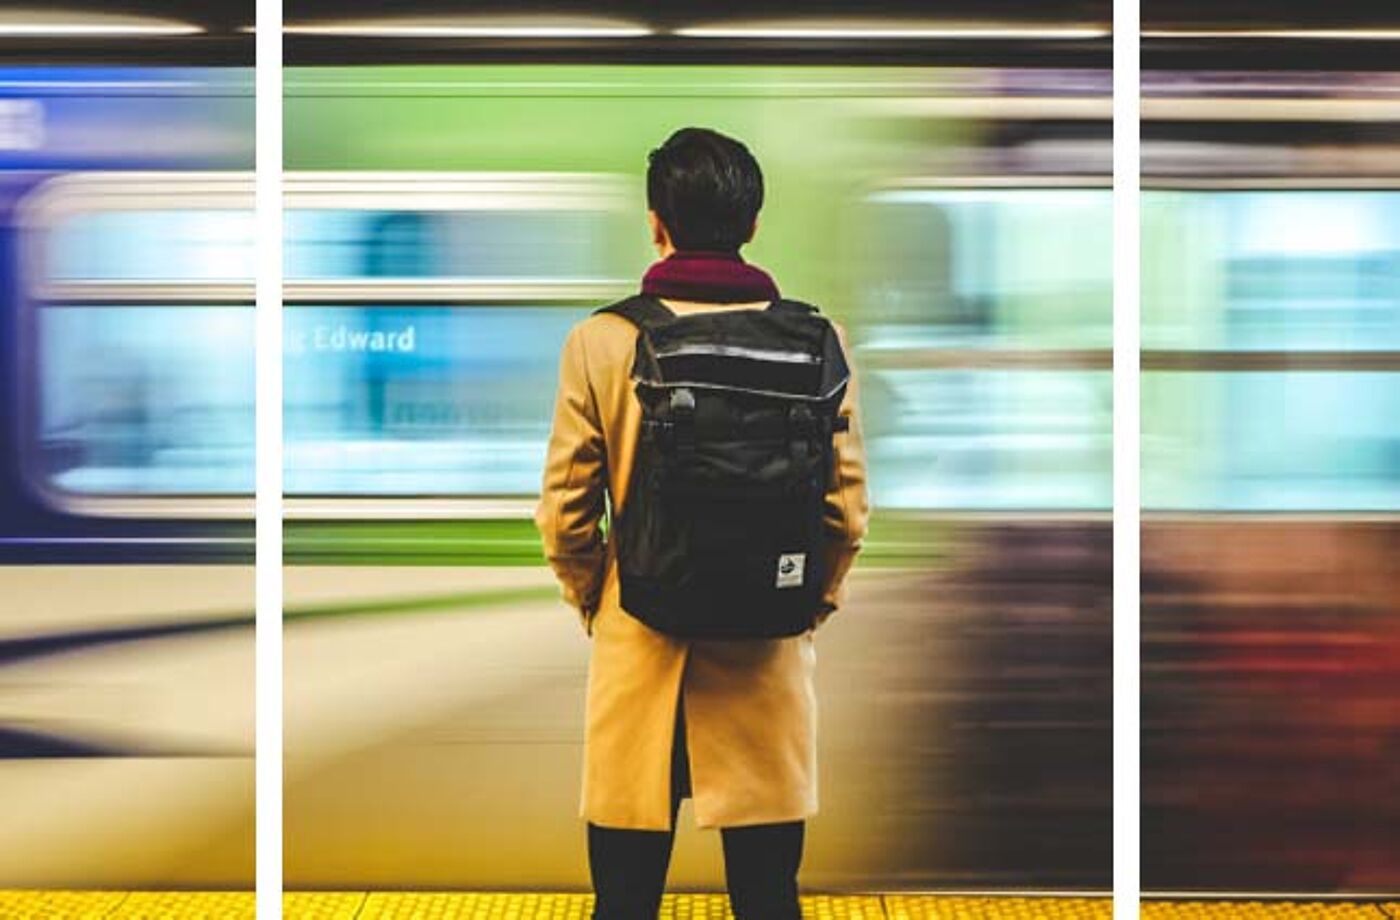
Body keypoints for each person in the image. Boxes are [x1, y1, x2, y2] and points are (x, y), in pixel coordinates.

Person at [534, 126, 869, 920]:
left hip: (640, 643)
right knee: (764, 894)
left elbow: (565, 513)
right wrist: (806, 606)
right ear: (752, 223)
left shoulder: (601, 341)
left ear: (657, 221)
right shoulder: (818, 342)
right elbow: (846, 511)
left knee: (624, 896)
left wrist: (599, 600)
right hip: (765, 653)